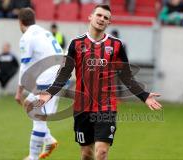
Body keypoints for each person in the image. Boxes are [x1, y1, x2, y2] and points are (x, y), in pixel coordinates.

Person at [28, 4, 162, 160]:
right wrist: (49, 93)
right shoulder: (76, 44)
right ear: (90, 17)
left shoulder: (116, 45)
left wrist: (144, 95)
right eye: (99, 15)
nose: (102, 19)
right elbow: (64, 73)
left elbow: (126, 76)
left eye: (106, 18)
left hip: (106, 107)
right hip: (81, 107)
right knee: (86, 154)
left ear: (108, 23)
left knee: (101, 152)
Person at [14, 8, 63, 160]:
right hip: (58, 75)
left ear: (20, 22)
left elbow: (24, 66)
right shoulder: (44, 32)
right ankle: (49, 140)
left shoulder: (27, 37)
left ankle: (33, 157)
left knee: (38, 117)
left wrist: (19, 90)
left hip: (50, 79)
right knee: (29, 104)